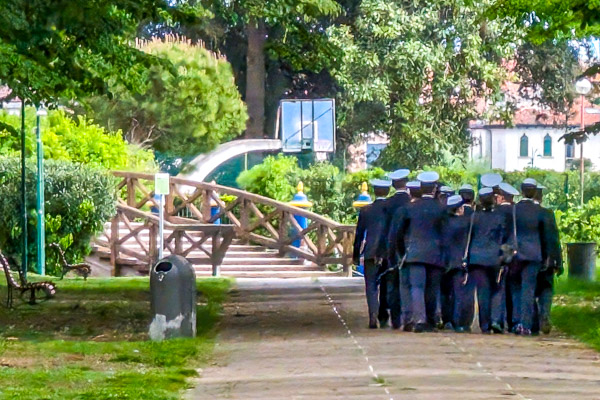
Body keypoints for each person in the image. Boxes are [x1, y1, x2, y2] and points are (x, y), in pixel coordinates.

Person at [393, 171, 447, 332]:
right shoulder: (441, 208)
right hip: (436, 254)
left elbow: (399, 234)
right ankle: (431, 320)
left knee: (416, 287)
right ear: (434, 188)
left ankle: (419, 319)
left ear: (420, 188)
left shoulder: (409, 208)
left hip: (414, 253)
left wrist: (402, 253)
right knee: (432, 288)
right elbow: (446, 233)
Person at [464, 187, 509, 334]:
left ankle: (484, 324)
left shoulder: (474, 217)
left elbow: (469, 237)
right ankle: (496, 320)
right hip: (494, 258)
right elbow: (503, 237)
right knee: (496, 289)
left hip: (477, 259)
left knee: (482, 291)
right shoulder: (500, 217)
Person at [508, 178, 547, 335]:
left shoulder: (514, 210)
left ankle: (516, 321)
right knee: (528, 289)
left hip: (516, 254)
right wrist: (546, 257)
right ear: (535, 192)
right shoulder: (540, 212)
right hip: (534, 255)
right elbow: (544, 236)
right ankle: (527, 324)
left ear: (522, 191)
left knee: (516, 288)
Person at [353, 179, 392, 328]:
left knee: (371, 286)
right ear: (388, 191)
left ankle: (372, 315)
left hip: (370, 251)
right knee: (386, 285)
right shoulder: (392, 209)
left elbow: (359, 235)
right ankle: (383, 316)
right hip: (387, 253)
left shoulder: (366, 210)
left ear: (375, 192)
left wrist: (356, 255)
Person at [532, 185, 563, 334]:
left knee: (529, 289)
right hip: (547, 259)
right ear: (541, 197)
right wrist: (558, 261)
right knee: (546, 289)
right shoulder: (547, 214)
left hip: (529, 258)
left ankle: (533, 320)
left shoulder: (524, 213)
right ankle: (544, 313)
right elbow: (554, 239)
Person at [384, 169, 412, 329]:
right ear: (406, 183)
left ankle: (395, 319)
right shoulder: (412, 202)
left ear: (393, 185)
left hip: (392, 248)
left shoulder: (388, 204)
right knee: (410, 284)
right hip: (410, 247)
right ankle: (409, 315)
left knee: (393, 284)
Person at [443, 195, 472, 332]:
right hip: (460, 261)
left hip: (444, 262)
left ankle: (446, 319)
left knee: (445, 293)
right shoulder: (465, 223)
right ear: (460, 208)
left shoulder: (444, 223)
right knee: (458, 293)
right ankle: (458, 321)